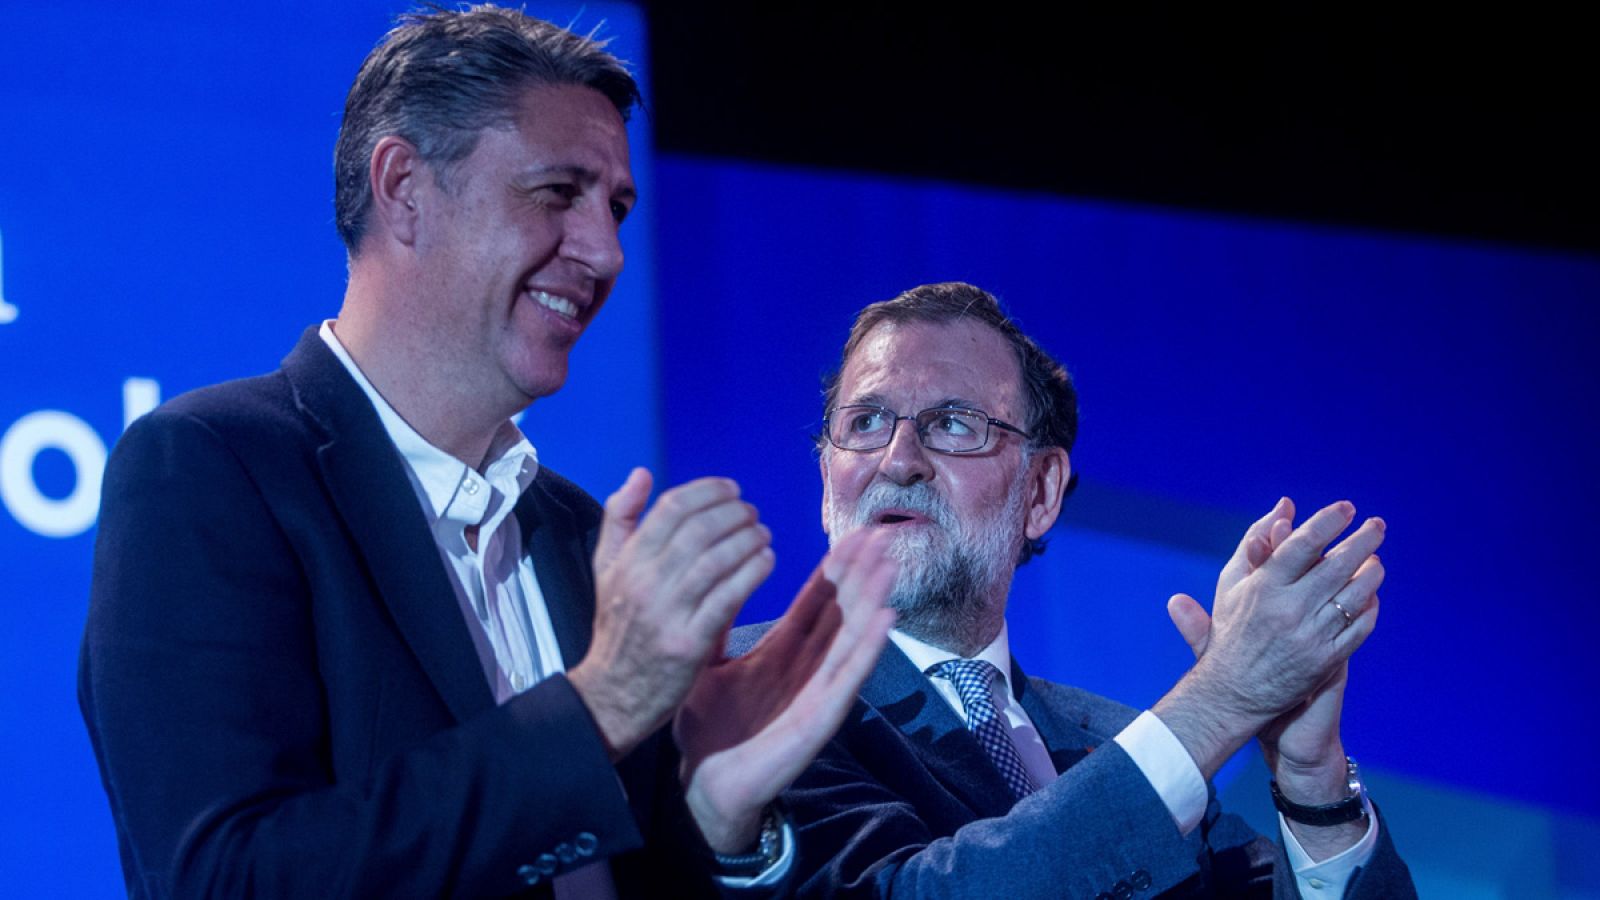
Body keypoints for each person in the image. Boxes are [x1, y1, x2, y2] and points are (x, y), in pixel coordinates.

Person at [78, 8, 895, 898]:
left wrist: (719, 821)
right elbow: (225, 879)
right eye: (557, 193)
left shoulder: (584, 537)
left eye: (617, 207)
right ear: (403, 188)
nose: (607, 251)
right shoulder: (212, 469)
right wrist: (602, 706)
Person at [731, 281, 1416, 898]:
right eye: (867, 422)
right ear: (827, 479)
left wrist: (1312, 782)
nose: (898, 460)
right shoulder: (745, 690)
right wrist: (1224, 699)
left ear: (1041, 491)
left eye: (952, 424)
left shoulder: (1114, 742)